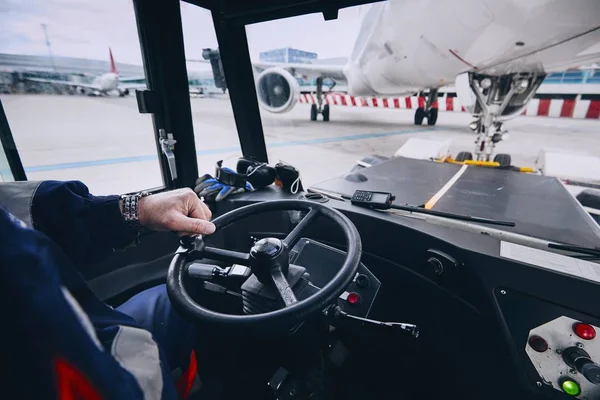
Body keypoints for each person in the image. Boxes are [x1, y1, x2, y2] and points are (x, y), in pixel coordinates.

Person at [0, 180, 216, 399]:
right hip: (105, 372)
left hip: (82, 324)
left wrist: (134, 209)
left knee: (167, 301)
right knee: (179, 303)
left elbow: (24, 209)